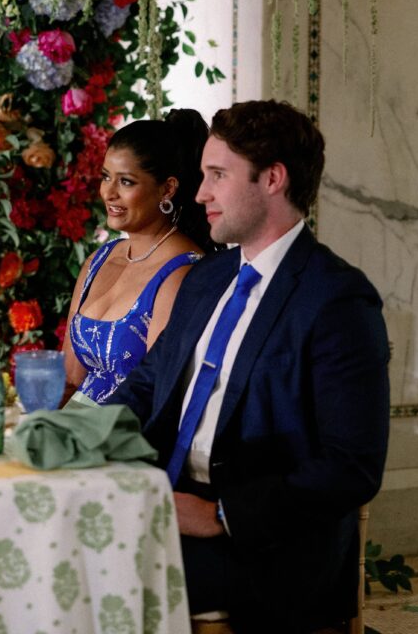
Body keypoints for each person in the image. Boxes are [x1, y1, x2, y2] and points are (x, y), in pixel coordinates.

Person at [110, 100, 390, 634]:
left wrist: (220, 516)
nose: (200, 195)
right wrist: (76, 434)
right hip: (166, 501)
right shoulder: (207, 279)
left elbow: (352, 464)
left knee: (98, 575)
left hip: (266, 543)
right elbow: (149, 382)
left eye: (217, 175)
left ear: (273, 179)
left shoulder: (337, 300)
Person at [62, 108, 214, 404]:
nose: (108, 193)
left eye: (126, 182)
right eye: (106, 177)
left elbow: (158, 395)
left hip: (128, 439)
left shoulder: (183, 271)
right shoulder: (99, 260)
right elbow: (70, 379)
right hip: (75, 433)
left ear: (167, 189)